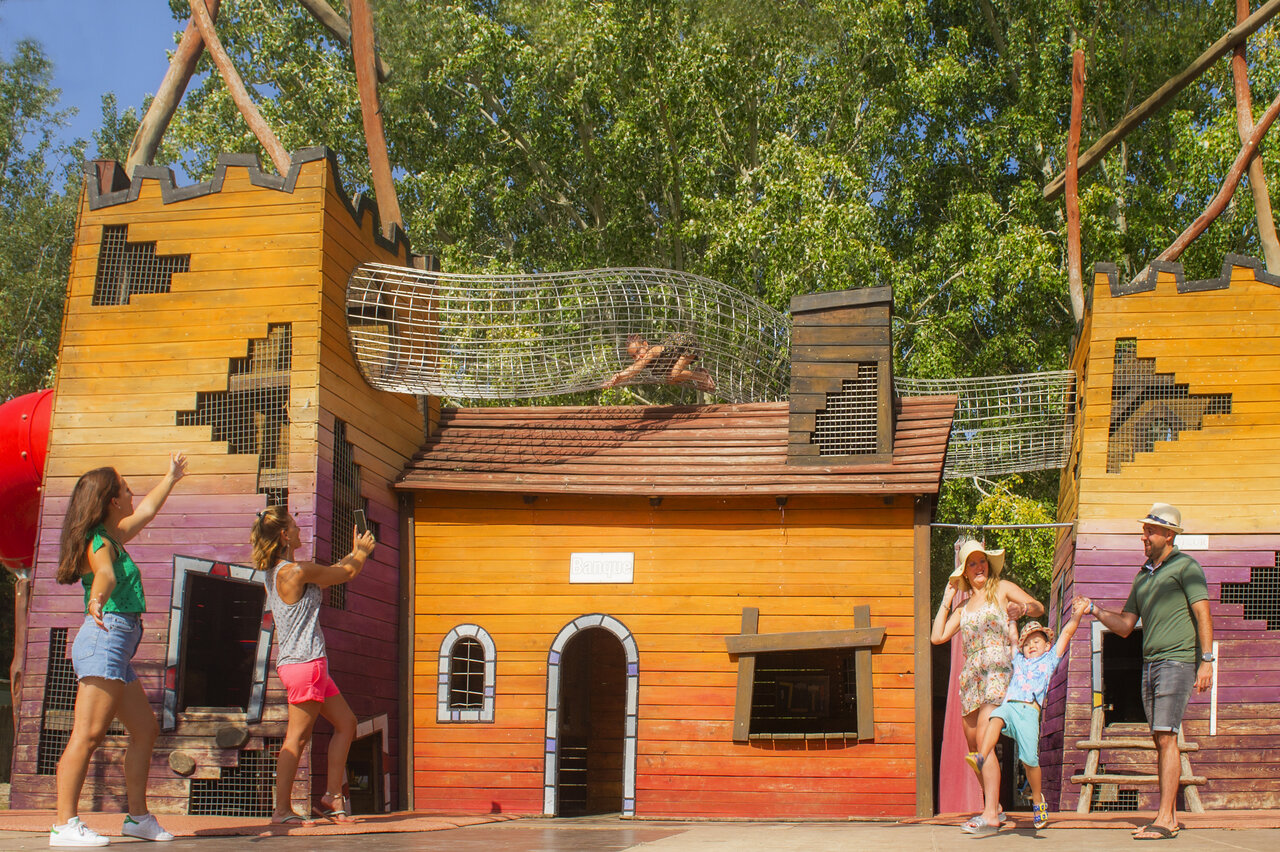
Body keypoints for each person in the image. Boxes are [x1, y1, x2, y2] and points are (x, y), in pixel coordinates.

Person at [51, 453, 188, 847]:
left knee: (144, 730)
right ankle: (64, 825)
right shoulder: (98, 542)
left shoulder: (112, 535)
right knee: (88, 734)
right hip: (105, 637)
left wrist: (171, 478)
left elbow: (146, 511)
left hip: (118, 644)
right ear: (112, 500)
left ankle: (138, 819)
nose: (132, 494)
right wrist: (97, 599)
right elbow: (106, 576)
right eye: (126, 488)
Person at [1075, 502, 1213, 842]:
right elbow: (1124, 626)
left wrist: (1207, 660)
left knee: (1166, 736)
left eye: (1149, 531)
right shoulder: (1143, 576)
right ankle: (1168, 816)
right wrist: (1094, 609)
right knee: (1159, 737)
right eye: (1144, 530)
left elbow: (1203, 613)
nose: (1143, 536)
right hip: (1150, 664)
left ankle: (1166, 819)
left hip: (1177, 661)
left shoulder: (1186, 567)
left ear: (1168, 535)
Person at [251, 506, 376, 826]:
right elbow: (346, 574)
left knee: (346, 723)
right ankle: (281, 810)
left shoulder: (281, 570)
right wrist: (360, 554)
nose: (298, 529)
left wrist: (354, 551)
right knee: (297, 739)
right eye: (293, 526)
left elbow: (335, 570)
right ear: (284, 536)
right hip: (305, 664)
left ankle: (333, 797)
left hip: (309, 664)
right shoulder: (295, 572)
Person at [930, 539, 1044, 836]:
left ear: (988, 566)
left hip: (998, 670)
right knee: (973, 750)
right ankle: (995, 807)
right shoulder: (964, 607)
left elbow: (1037, 607)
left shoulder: (1002, 588)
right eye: (972, 563)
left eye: (982, 561)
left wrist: (1022, 607)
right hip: (971, 679)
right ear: (965, 572)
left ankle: (990, 814)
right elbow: (937, 636)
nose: (979, 567)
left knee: (984, 742)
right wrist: (946, 598)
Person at [966, 598, 1091, 835]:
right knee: (995, 716)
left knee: (1029, 760)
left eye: (1037, 641)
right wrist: (1012, 619)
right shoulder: (1019, 660)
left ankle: (1037, 800)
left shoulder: (1050, 658)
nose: (1032, 645)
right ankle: (981, 756)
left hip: (1028, 713)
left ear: (1047, 645)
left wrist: (1078, 615)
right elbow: (1013, 639)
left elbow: (1066, 633)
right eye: (1028, 643)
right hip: (1010, 707)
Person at [603, 333, 716, 392]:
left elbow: (636, 368)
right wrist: (616, 381)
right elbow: (633, 372)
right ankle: (699, 374)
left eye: (638, 351)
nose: (638, 357)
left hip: (686, 345)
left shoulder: (651, 352)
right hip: (679, 353)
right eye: (633, 356)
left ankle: (702, 377)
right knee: (670, 380)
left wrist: (619, 375)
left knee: (674, 375)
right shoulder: (648, 360)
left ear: (645, 345)